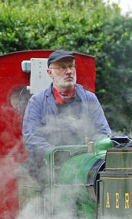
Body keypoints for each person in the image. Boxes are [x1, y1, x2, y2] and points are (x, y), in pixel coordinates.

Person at [22, 50, 111, 181]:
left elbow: (103, 132)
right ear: (50, 73)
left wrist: (93, 151)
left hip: (84, 167)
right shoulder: (37, 102)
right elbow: (31, 137)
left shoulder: (89, 99)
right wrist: (55, 154)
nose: (69, 71)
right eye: (62, 67)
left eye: (71, 66)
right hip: (48, 169)